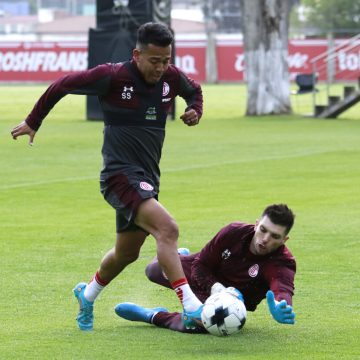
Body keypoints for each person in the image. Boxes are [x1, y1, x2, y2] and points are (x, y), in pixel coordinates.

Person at [10, 22, 204, 331]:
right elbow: (63, 84)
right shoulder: (112, 76)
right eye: (155, 61)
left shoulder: (171, 77)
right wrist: (34, 121)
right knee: (167, 229)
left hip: (147, 179)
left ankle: (86, 295)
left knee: (127, 253)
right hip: (119, 176)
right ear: (136, 54)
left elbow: (194, 91)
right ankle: (191, 306)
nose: (161, 67)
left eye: (166, 60)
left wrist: (195, 109)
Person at [114, 204, 297, 333]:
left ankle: (152, 315)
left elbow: (282, 288)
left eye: (274, 236)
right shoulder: (233, 231)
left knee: (199, 323)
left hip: (232, 303)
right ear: (256, 224)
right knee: (153, 271)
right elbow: (201, 265)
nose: (265, 239)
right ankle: (177, 256)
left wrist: (283, 304)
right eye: (263, 230)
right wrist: (216, 288)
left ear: (284, 240)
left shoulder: (282, 262)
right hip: (206, 274)